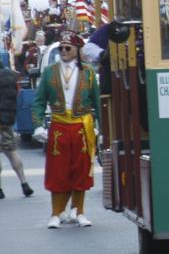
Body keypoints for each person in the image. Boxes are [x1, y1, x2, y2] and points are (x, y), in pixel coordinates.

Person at [32, 31, 100, 229]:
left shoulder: (88, 72)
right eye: (61, 47)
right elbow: (38, 101)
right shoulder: (50, 72)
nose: (63, 51)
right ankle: (55, 213)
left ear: (77, 50)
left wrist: (101, 129)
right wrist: (37, 125)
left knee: (81, 170)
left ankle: (79, 211)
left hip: (82, 126)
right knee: (58, 171)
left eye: (67, 48)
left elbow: (97, 101)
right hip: (59, 126)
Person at [0, 65, 34, 199]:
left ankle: (0, 189)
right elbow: (17, 95)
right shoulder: (12, 76)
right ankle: (24, 183)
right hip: (7, 121)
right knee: (11, 151)